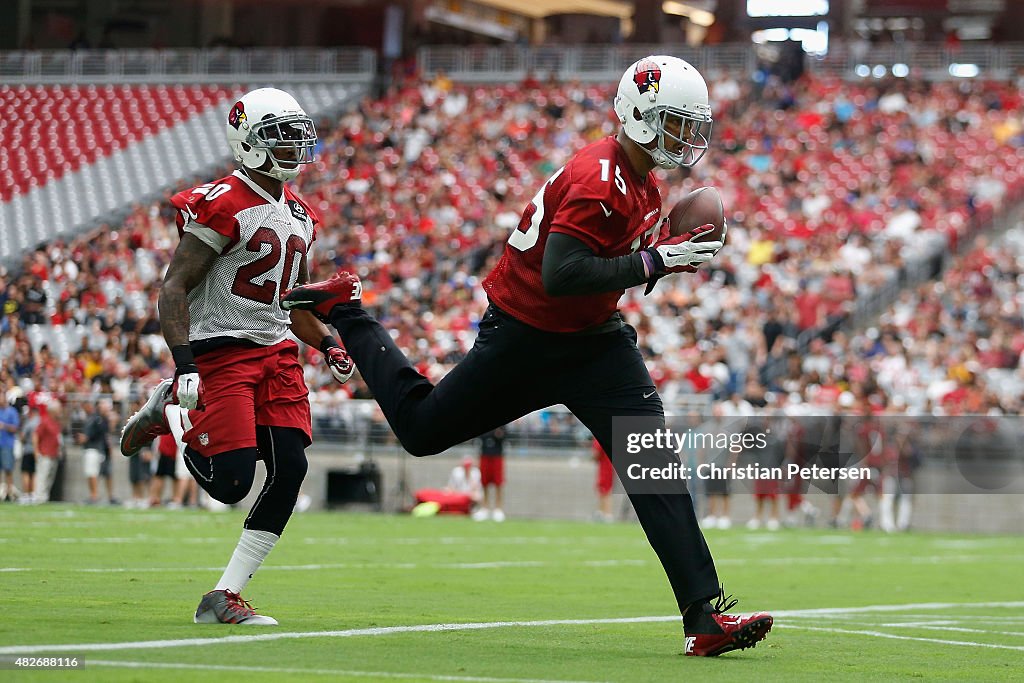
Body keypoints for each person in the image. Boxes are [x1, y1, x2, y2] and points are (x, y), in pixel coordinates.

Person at [284, 56, 772, 656]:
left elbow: (602, 267)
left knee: (655, 467)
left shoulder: (643, 177)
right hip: (528, 335)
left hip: (596, 343)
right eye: (674, 122)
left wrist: (656, 253)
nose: (684, 138)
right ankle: (350, 312)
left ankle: (703, 616)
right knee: (420, 430)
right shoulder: (601, 176)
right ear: (641, 114)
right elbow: (562, 273)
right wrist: (655, 261)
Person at [119, 87, 354, 625]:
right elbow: (174, 287)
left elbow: (288, 303)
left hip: (278, 352)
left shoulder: (300, 213)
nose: (295, 147)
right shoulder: (223, 201)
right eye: (281, 136)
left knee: (290, 467)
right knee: (229, 484)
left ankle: (222, 596)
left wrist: (328, 341)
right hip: (222, 350)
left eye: (298, 135)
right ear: (247, 142)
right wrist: (185, 365)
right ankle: (172, 411)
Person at [473, 426, 507, 521]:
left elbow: (502, 436)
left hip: (497, 456)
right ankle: (484, 508)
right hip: (484, 455)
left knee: (498, 483)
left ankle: (498, 509)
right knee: (484, 483)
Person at [32, 402, 62, 503]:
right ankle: (39, 497)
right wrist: (36, 451)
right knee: (42, 476)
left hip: (54, 454)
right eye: (58, 409)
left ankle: (44, 497)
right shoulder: (45, 421)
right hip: (45, 453)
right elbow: (35, 435)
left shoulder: (56, 422)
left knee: (50, 477)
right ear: (52, 411)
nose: (60, 411)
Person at [0, 388, 21, 502]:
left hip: (7, 444)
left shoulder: (11, 411)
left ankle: (9, 493)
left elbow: (15, 428)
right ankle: (1, 492)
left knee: (8, 469)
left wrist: (4, 426)